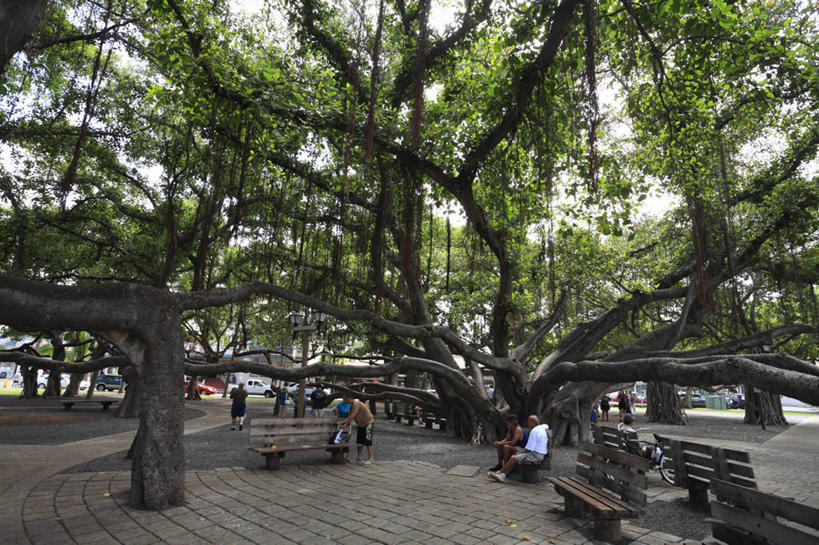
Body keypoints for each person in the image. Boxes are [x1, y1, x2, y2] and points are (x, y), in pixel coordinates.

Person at [488, 415, 549, 483]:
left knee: (514, 457)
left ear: (532, 422)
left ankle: (500, 473)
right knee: (514, 456)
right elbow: (546, 425)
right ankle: (502, 474)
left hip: (535, 455)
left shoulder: (534, 432)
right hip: (538, 453)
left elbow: (529, 449)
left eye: (528, 421)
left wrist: (519, 453)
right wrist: (499, 443)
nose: (527, 423)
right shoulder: (541, 427)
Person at [336, 394, 375, 464]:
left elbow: (352, 416)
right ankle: (359, 458)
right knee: (359, 441)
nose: (343, 400)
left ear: (349, 398)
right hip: (361, 425)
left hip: (368, 423)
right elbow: (349, 416)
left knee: (368, 440)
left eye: (344, 399)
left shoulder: (356, 404)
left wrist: (343, 424)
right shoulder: (351, 406)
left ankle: (371, 458)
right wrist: (341, 422)